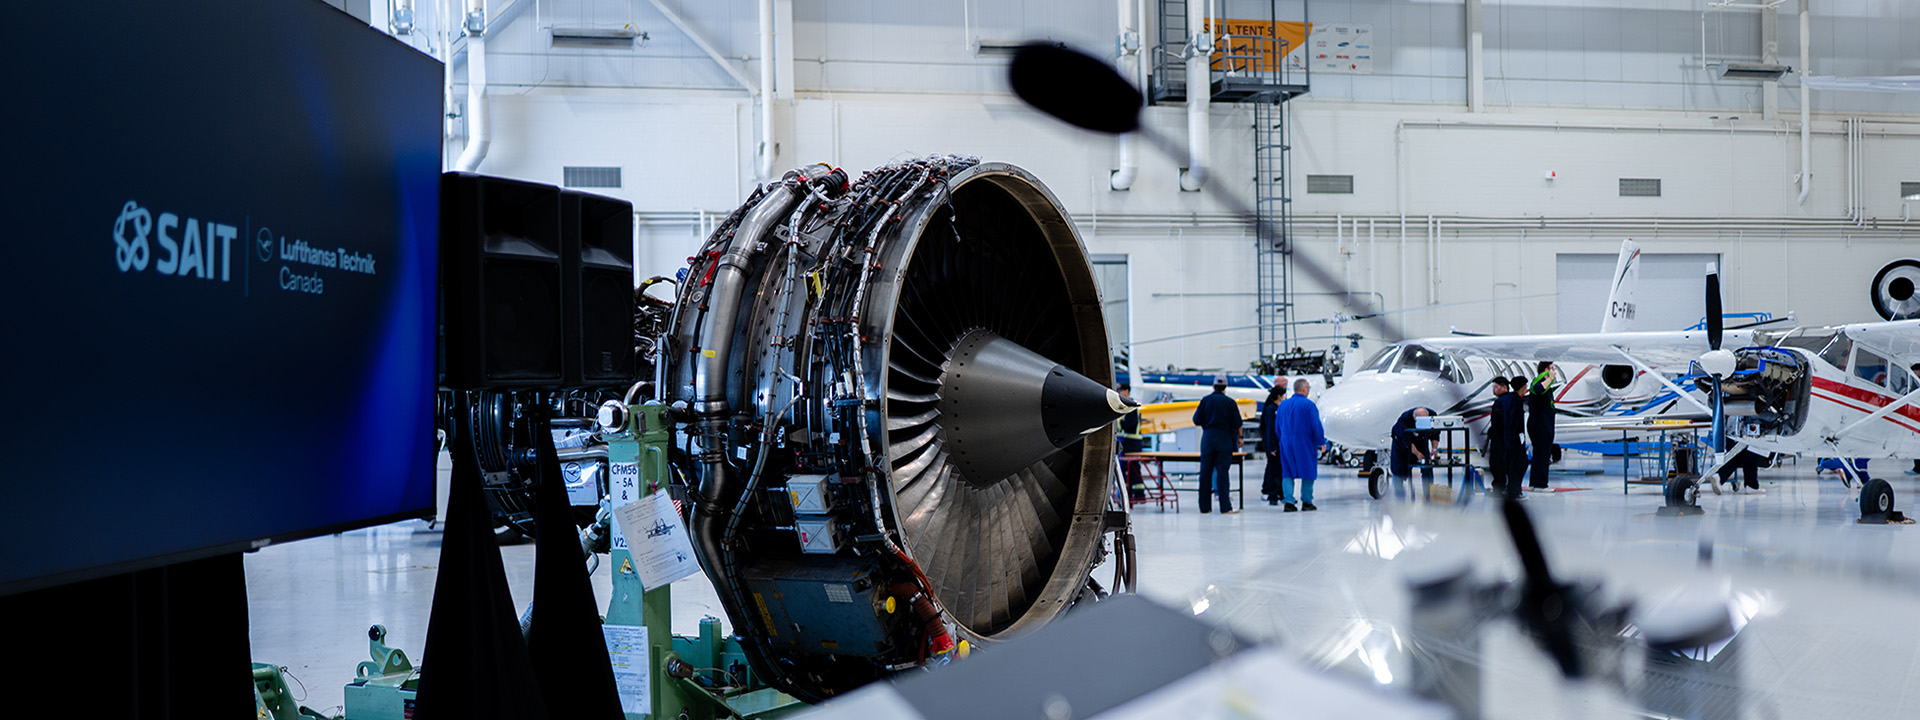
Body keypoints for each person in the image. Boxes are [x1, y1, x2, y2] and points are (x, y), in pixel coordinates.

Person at [1275, 378, 1327, 511]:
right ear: (1304, 389)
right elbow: (1316, 425)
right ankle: (1307, 502)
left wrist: (1283, 439)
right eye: (1308, 388)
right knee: (1308, 471)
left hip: (1286, 443)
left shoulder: (1283, 405)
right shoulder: (1309, 405)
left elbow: (1277, 427)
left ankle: (1289, 503)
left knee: (1287, 472)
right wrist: (1322, 441)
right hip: (1304, 443)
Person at [1191, 376, 1241, 514]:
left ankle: (1204, 507)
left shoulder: (1205, 401)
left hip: (1207, 439)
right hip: (1224, 439)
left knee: (1205, 473)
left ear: (1213, 385)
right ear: (1226, 386)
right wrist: (1239, 437)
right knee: (1222, 472)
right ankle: (1225, 507)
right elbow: (1238, 423)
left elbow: (1196, 420)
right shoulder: (1230, 402)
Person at [1489, 376, 1528, 500]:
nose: (1494, 390)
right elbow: (1515, 422)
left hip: (1501, 440)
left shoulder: (1502, 401)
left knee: (1500, 466)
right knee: (1517, 465)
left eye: (1496, 387)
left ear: (1505, 387)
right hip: (1509, 440)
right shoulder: (1513, 400)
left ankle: (1501, 489)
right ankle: (1514, 491)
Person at [1524, 361, 1556, 492]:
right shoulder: (1539, 382)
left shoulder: (1546, 385)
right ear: (1546, 369)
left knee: (1541, 454)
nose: (1554, 371)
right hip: (1540, 425)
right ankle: (1540, 484)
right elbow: (1537, 389)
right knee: (1542, 454)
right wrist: (1550, 378)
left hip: (1544, 424)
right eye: (1552, 368)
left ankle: (1534, 483)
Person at [1389, 407, 1435, 498]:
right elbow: (1407, 443)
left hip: (1421, 442)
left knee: (1427, 468)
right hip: (1401, 446)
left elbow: (1435, 435)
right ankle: (1400, 499)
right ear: (1414, 418)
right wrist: (1417, 454)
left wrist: (1434, 449)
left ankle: (1428, 495)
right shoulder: (1403, 422)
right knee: (1398, 474)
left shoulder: (1433, 416)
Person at [1116, 384, 1147, 500]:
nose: (1119, 392)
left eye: (1121, 390)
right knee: (1129, 468)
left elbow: (1130, 424)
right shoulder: (1127, 405)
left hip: (1133, 441)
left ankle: (1139, 494)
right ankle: (1130, 493)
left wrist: (1119, 424)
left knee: (1132, 467)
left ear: (1127, 391)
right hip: (1129, 440)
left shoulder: (1131, 406)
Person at [1258, 387, 1286, 505]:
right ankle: (1272, 495)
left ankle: (1276, 491)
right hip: (1273, 444)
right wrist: (1272, 447)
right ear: (1279, 396)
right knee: (1274, 469)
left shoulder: (1276, 409)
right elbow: (1270, 430)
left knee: (1276, 468)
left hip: (1277, 444)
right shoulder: (1271, 410)